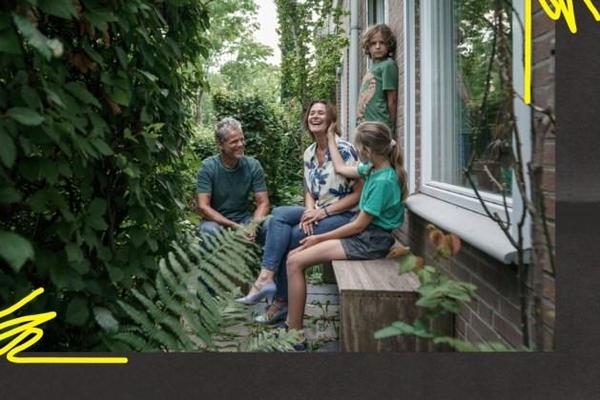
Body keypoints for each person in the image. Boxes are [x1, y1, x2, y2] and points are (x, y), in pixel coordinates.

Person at [236, 101, 363, 325]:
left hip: (344, 216)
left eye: (321, 113)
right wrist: (310, 210)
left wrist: (322, 213)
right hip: (319, 210)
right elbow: (309, 191)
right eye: (312, 113)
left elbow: (359, 195)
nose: (315, 116)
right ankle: (267, 277)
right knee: (279, 214)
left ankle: (280, 302)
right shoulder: (309, 152)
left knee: (290, 238)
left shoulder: (345, 150)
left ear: (331, 119)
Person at [285, 121, 409, 349]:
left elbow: (358, 227)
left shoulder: (383, 181)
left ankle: (295, 334)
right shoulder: (372, 168)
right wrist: (331, 138)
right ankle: (291, 325)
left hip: (371, 240)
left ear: (367, 150)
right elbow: (341, 168)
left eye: (358, 146)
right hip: (365, 235)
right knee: (293, 258)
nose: (356, 149)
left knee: (294, 261)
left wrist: (319, 238)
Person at [196, 117, 270, 242]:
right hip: (216, 222)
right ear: (220, 145)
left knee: (271, 224)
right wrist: (234, 226)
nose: (240, 144)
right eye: (234, 142)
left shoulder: (253, 165)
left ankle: (266, 255)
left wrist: (253, 226)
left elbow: (263, 203)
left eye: (242, 139)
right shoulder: (208, 167)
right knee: (208, 231)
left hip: (244, 220)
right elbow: (203, 206)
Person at [356, 24, 398, 132]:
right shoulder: (372, 68)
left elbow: (392, 99)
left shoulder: (388, 65)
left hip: (379, 126)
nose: (378, 46)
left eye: (382, 43)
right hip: (365, 126)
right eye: (373, 43)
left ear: (389, 44)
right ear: (368, 47)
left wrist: (391, 128)